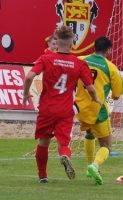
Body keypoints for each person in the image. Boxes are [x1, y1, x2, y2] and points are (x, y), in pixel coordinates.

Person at [22, 26, 101, 183]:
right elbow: (90, 87)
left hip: (46, 108)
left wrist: (26, 93)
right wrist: (95, 98)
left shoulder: (46, 59)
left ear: (56, 42)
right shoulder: (78, 64)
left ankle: (42, 176)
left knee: (43, 142)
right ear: (72, 44)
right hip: (65, 109)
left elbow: (30, 76)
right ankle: (64, 154)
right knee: (63, 142)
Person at [74, 36, 123, 185]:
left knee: (89, 134)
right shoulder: (111, 68)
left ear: (94, 47)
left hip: (81, 108)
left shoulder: (80, 59)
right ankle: (95, 166)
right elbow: (116, 96)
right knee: (107, 146)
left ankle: (90, 164)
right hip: (98, 110)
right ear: (109, 50)